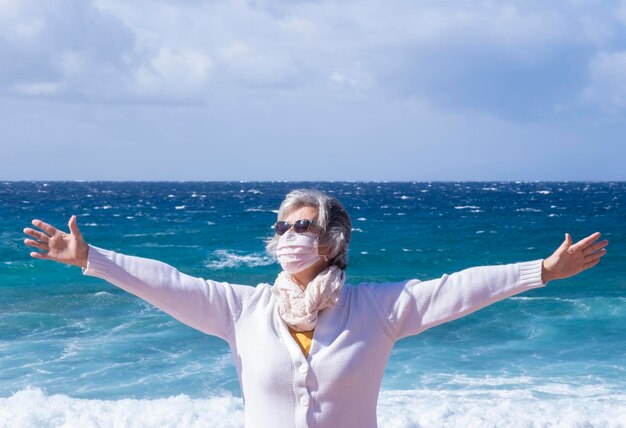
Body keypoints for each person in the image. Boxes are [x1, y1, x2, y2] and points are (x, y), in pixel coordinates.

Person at [23, 188, 608, 428]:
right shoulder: (241, 310)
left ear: (331, 242)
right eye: (282, 226)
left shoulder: (377, 309)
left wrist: (542, 272)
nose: (288, 236)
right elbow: (168, 282)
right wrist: (89, 257)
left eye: (303, 226)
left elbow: (457, 287)